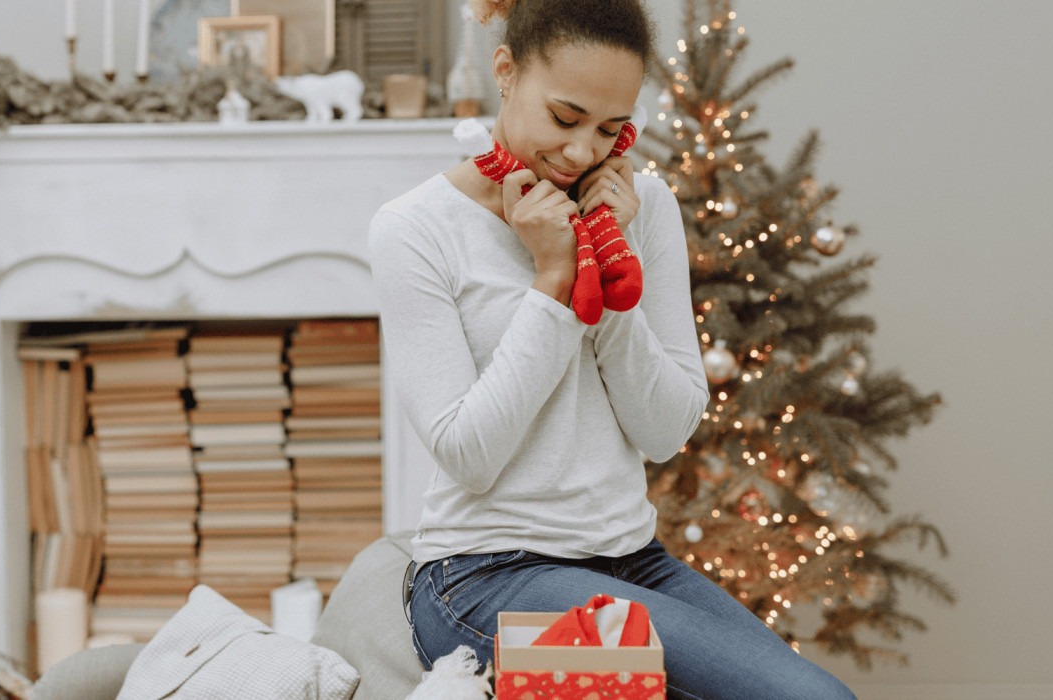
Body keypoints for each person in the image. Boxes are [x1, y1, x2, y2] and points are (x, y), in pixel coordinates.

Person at [366, 0, 857, 697]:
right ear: (505, 72)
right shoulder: (414, 229)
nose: (583, 152)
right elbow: (468, 455)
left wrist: (609, 265)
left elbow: (665, 431)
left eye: (611, 129)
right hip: (482, 575)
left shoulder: (642, 206)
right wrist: (555, 280)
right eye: (564, 118)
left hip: (631, 558)